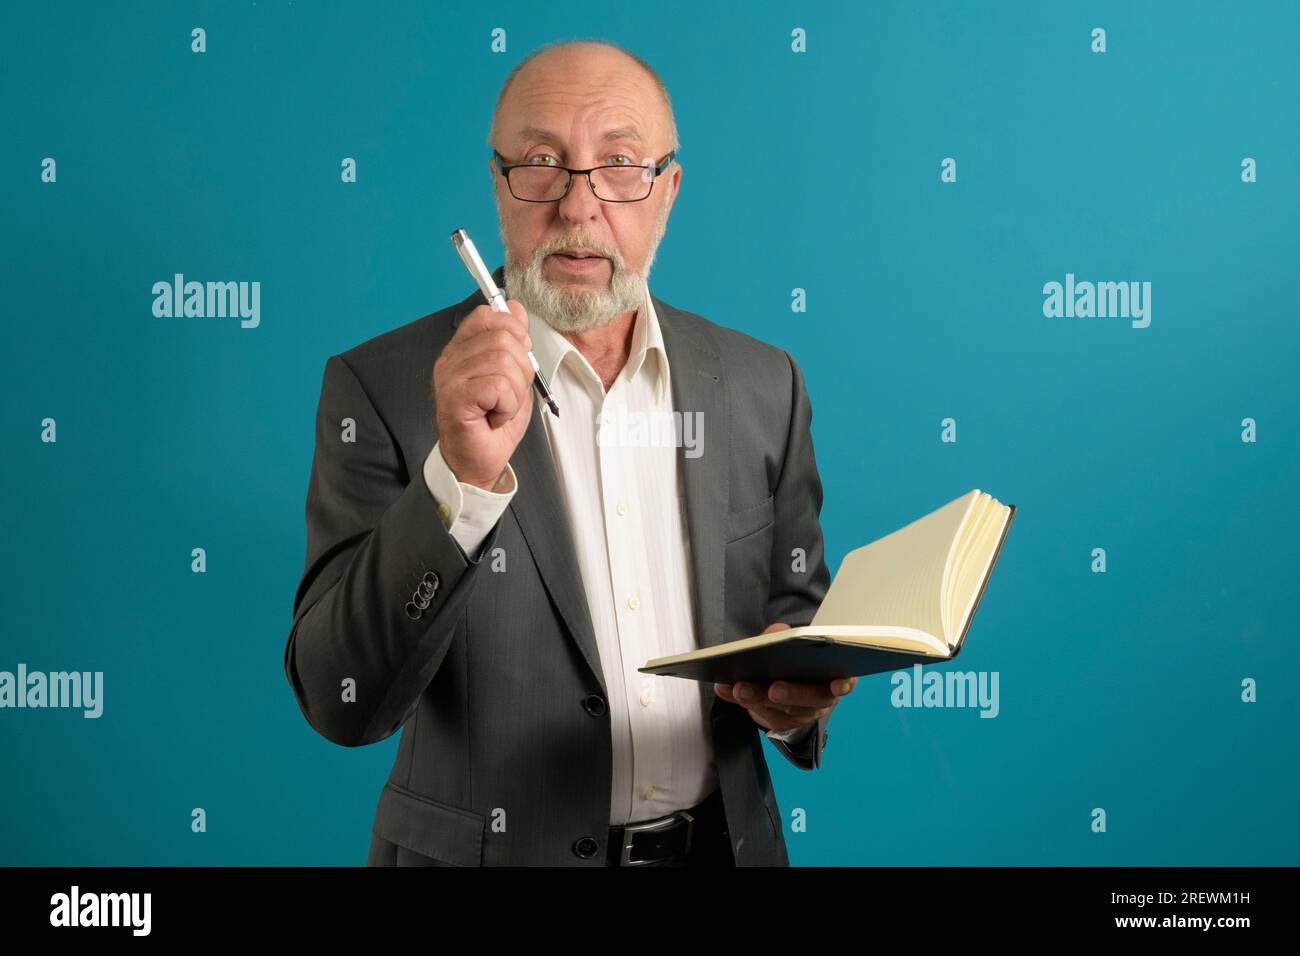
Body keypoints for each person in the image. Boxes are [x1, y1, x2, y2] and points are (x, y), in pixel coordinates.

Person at [284, 38, 857, 867]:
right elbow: (342, 702)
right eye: (543, 163)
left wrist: (800, 703)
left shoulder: (766, 384)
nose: (579, 207)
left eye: (620, 163)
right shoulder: (383, 387)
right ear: (498, 184)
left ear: (668, 191)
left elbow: (796, 622)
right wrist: (461, 481)